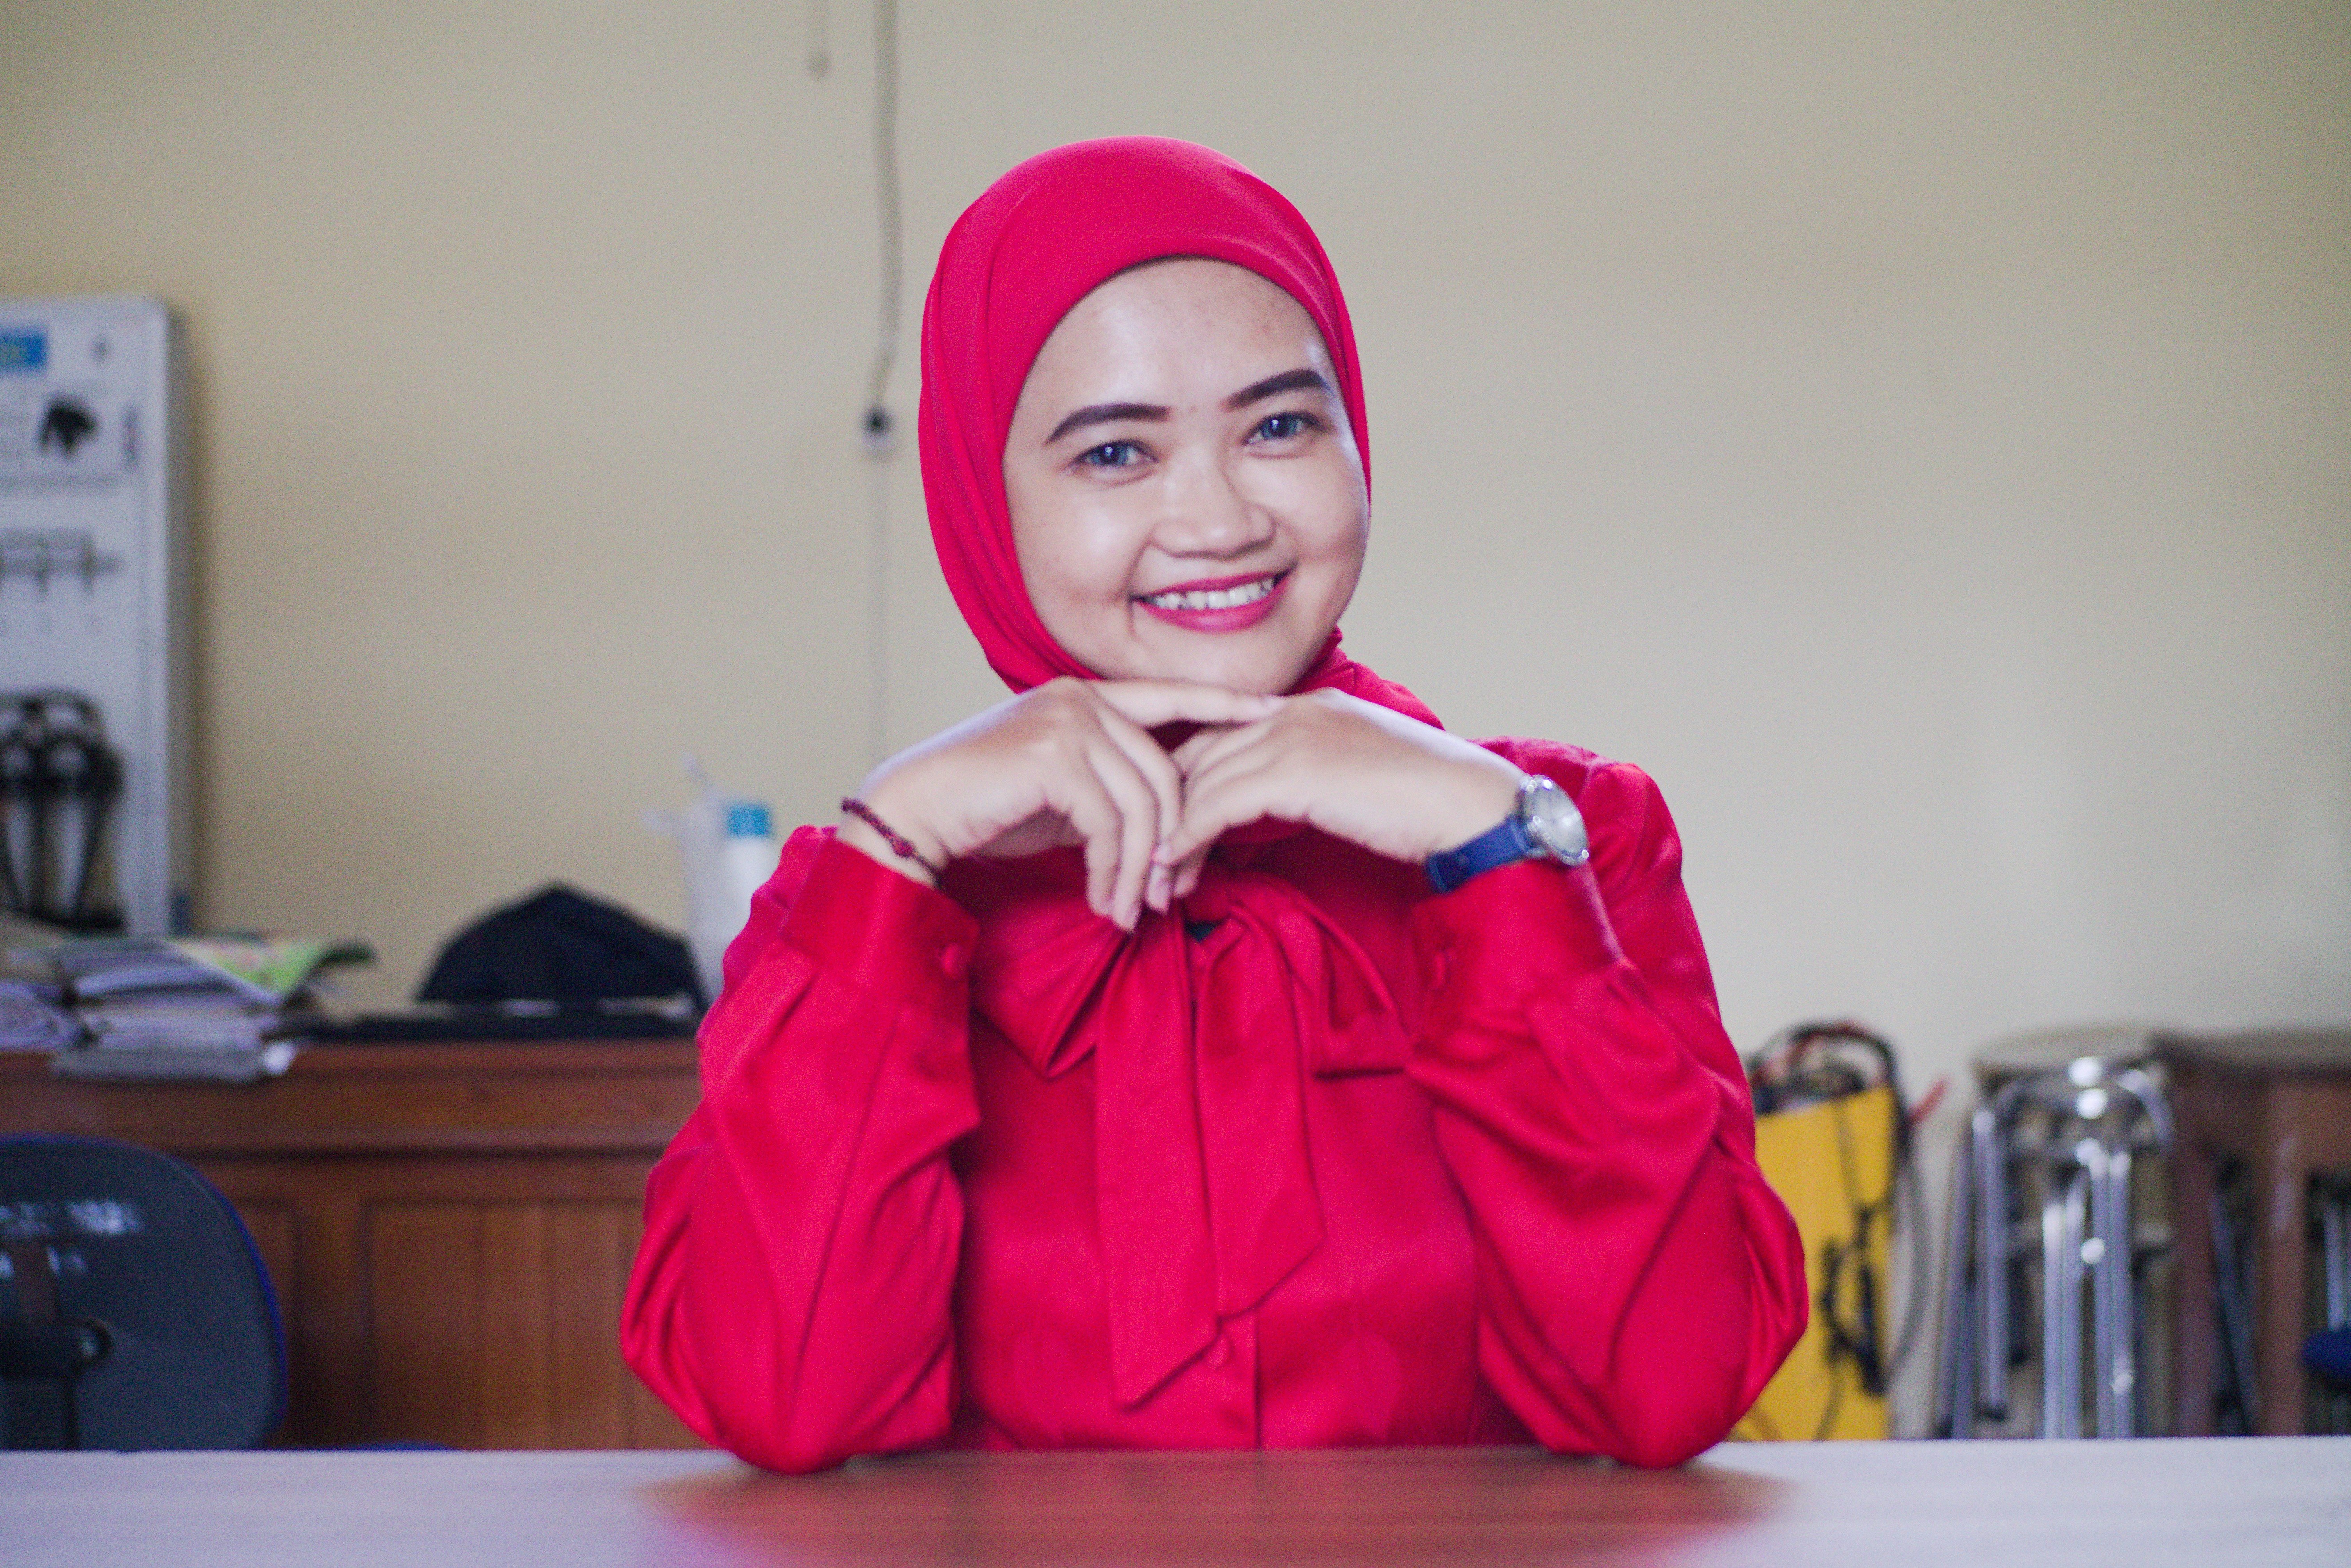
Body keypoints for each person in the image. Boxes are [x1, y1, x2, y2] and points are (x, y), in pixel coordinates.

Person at [621, 137, 1807, 1473]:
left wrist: (1492, 853)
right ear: (979, 494)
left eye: (1281, 426)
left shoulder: (1567, 833)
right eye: (1116, 451)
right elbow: (782, 1402)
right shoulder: (865, 899)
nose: (1220, 516)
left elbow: (1669, 1389)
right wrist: (895, 851)